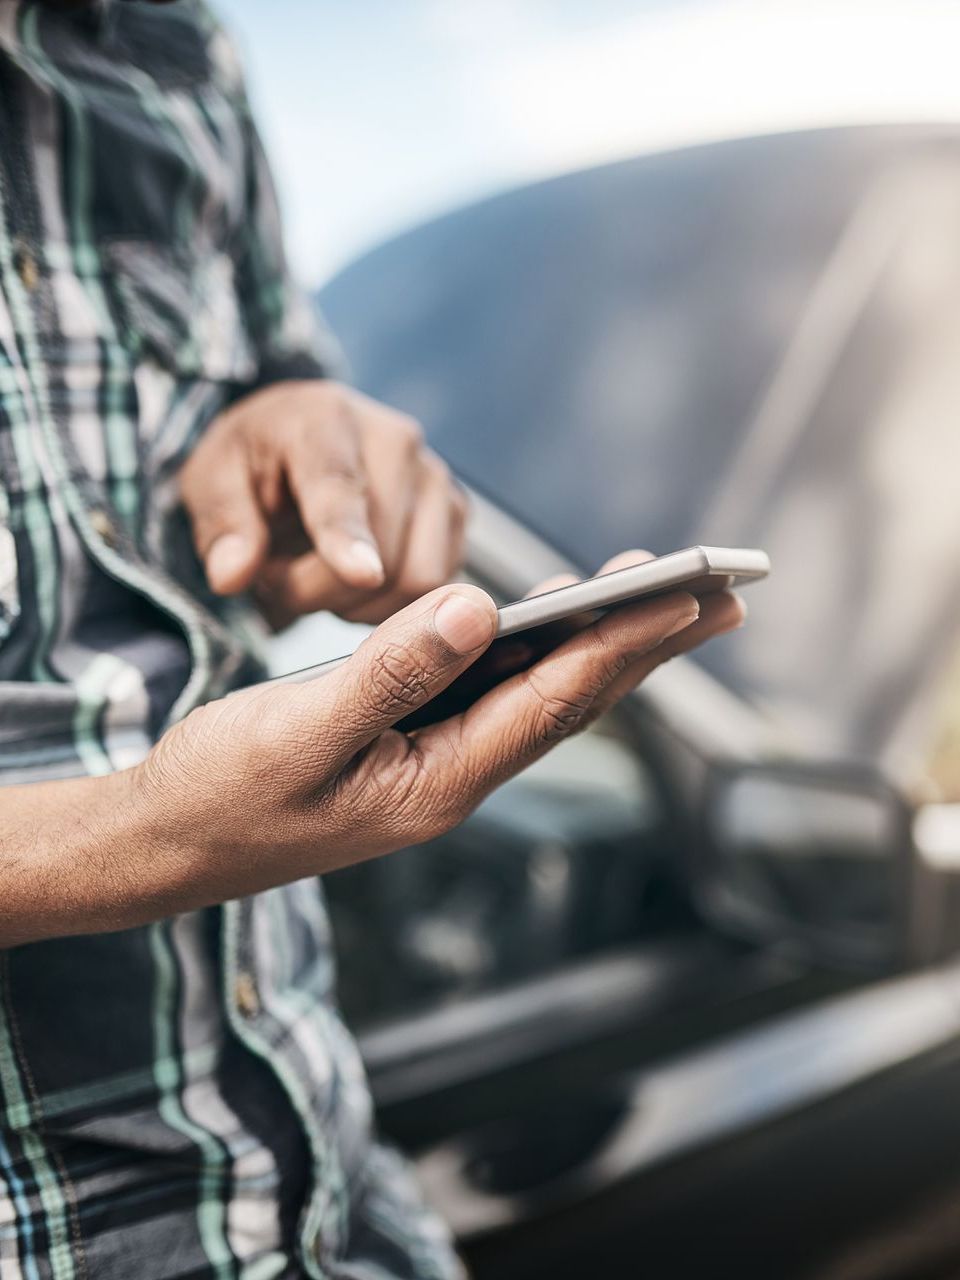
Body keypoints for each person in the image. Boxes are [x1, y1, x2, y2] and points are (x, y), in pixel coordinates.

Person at [0, 1, 746, 1277]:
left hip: (343, 1213)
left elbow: (272, 380)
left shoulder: (170, 46)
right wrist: (144, 832)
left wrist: (297, 426)